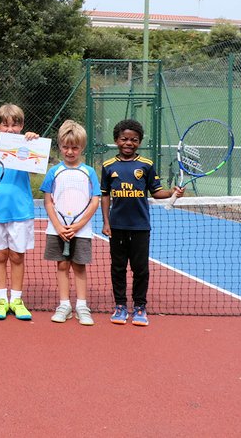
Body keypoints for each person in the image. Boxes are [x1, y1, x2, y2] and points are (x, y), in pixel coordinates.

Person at [101, 118, 183, 326]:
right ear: (116, 140)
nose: (129, 143)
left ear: (139, 142)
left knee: (141, 269)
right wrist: (106, 222)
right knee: (117, 268)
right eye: (124, 139)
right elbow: (105, 196)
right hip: (117, 227)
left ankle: (139, 306)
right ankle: (120, 305)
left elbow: (156, 192)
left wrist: (173, 193)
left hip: (140, 227)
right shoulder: (108, 166)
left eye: (134, 140)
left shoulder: (146, 165)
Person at [0, 103, 38, 321]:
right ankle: (1, 299)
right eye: (5, 125)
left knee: (17, 256)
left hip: (21, 211)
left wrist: (33, 142)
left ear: (21, 126)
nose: (10, 129)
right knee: (0, 255)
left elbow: (35, 166)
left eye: (15, 125)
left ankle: (17, 300)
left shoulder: (29, 147)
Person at [39, 120, 100, 326]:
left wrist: (78, 225)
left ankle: (82, 306)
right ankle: (64, 305)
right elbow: (48, 201)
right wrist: (58, 226)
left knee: (79, 266)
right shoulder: (53, 172)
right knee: (62, 265)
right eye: (66, 147)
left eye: (75, 147)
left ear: (81, 147)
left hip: (81, 231)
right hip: (57, 229)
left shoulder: (89, 172)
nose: (70, 151)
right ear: (60, 147)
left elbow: (94, 201)